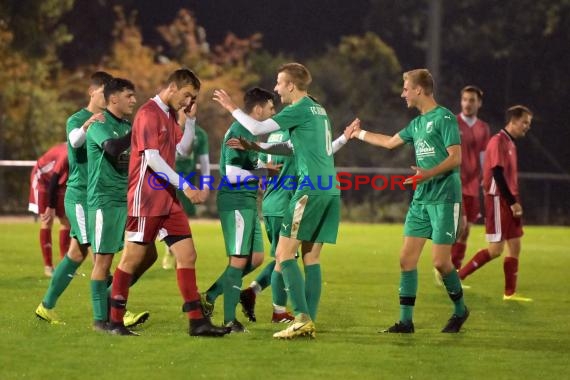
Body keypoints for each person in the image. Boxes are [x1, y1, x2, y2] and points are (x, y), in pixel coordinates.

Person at [214, 62, 357, 339]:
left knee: (282, 254)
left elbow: (256, 127)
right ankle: (308, 321)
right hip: (329, 187)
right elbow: (295, 148)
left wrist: (232, 108)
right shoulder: (319, 109)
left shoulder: (298, 109)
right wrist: (255, 148)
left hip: (309, 189)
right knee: (311, 257)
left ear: (291, 85)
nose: (277, 89)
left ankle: (300, 317)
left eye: (279, 83)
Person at [108, 68, 230, 337]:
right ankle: (114, 321)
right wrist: (186, 186)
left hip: (167, 199)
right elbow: (151, 159)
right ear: (173, 87)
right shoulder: (148, 113)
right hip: (146, 199)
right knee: (133, 258)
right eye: (187, 95)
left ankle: (197, 322)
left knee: (187, 255)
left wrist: (191, 121)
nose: (188, 101)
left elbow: (182, 150)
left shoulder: (168, 115)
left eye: (193, 98)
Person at [350, 68, 469, 333]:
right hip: (422, 199)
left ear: (418, 89)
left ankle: (460, 310)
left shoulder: (444, 117)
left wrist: (427, 173)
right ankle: (405, 322)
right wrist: (357, 134)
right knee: (406, 259)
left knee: (440, 262)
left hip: (445, 198)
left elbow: (456, 158)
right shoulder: (416, 125)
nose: (403, 93)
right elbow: (390, 142)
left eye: (406, 88)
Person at [35, 72, 151, 329]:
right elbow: (76, 144)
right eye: (102, 92)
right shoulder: (78, 120)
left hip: (105, 194)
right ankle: (110, 312)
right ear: (94, 92)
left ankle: (48, 305)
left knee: (81, 252)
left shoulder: (115, 122)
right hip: (82, 193)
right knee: (94, 254)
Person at [232, 123, 353, 324]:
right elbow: (318, 153)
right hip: (287, 204)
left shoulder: (272, 137)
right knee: (286, 258)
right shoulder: (297, 137)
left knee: (283, 256)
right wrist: (342, 139)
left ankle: (253, 292)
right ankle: (278, 311)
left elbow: (261, 169)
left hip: (270, 204)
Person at [201, 87, 279, 333]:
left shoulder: (251, 133)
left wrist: (266, 166)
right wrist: (264, 172)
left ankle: (210, 296)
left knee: (255, 258)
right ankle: (229, 320)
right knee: (237, 260)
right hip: (234, 200)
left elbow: (251, 166)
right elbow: (232, 174)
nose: (273, 112)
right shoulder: (238, 130)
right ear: (258, 109)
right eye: (270, 107)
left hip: (247, 201)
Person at [458, 105, 533, 302]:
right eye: (525, 122)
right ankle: (457, 277)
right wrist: (512, 202)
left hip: (509, 200)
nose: (527, 127)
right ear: (514, 120)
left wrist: (515, 200)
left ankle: (510, 293)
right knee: (495, 250)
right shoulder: (498, 141)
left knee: (515, 245)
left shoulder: (510, 143)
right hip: (499, 200)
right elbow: (497, 174)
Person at [86, 77, 142, 331]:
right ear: (114, 98)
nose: (134, 100)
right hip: (104, 200)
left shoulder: (126, 124)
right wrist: (138, 131)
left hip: (126, 199)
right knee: (103, 261)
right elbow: (112, 148)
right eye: (129, 95)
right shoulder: (99, 123)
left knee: (144, 253)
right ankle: (100, 319)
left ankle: (110, 297)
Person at [450, 86, 490, 270]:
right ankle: (446, 268)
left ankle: (454, 270)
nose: (467, 103)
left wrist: (485, 178)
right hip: (455, 182)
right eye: (464, 99)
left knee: (466, 231)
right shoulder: (452, 123)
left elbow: (483, 156)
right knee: (461, 226)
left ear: (479, 103)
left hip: (473, 185)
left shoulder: (483, 128)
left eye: (471, 100)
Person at [162, 121, 210, 270]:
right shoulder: (164, 127)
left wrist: (206, 184)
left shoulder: (200, 134)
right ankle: (170, 250)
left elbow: (204, 161)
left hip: (188, 181)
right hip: (166, 181)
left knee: (183, 217)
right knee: (166, 216)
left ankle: (176, 250)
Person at [28, 142, 70, 277]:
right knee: (47, 219)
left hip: (57, 181)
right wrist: (51, 207)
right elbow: (53, 180)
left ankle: (65, 267)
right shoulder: (67, 154)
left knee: (66, 220)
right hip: (43, 179)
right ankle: (48, 267)